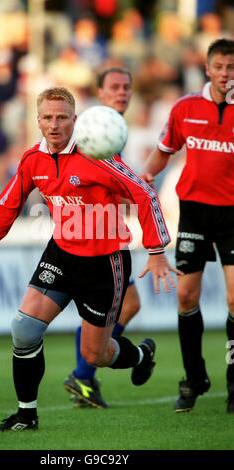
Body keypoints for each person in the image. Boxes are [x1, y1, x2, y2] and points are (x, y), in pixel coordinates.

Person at [0, 87, 179, 432]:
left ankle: (141, 355)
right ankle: (26, 414)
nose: (54, 125)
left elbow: (144, 195)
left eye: (62, 117)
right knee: (24, 329)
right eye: (47, 117)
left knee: (96, 355)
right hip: (61, 254)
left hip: (104, 262)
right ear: (37, 120)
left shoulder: (98, 156)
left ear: (74, 120)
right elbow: (7, 204)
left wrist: (156, 252)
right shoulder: (32, 159)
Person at [140, 38, 234, 414]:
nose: (227, 74)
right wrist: (144, 175)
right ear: (208, 70)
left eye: (232, 67)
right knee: (186, 298)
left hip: (233, 214)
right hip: (194, 211)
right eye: (221, 67)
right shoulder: (185, 108)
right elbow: (164, 150)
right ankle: (194, 379)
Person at [63, 67, 142, 409]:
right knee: (104, 312)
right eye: (114, 87)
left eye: (127, 87)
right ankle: (83, 375)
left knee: (129, 304)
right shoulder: (95, 131)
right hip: (92, 239)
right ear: (100, 92)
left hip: (110, 235)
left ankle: (85, 374)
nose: (122, 92)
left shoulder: (114, 130)